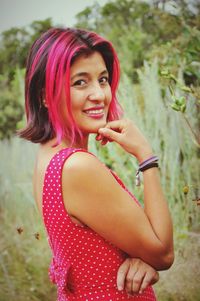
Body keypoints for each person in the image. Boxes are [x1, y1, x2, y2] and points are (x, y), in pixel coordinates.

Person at [19, 27, 174, 300]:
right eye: (80, 82)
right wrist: (146, 157)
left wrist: (142, 257)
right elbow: (163, 253)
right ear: (45, 94)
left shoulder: (48, 157)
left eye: (102, 80)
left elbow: (97, 248)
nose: (99, 95)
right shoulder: (78, 167)